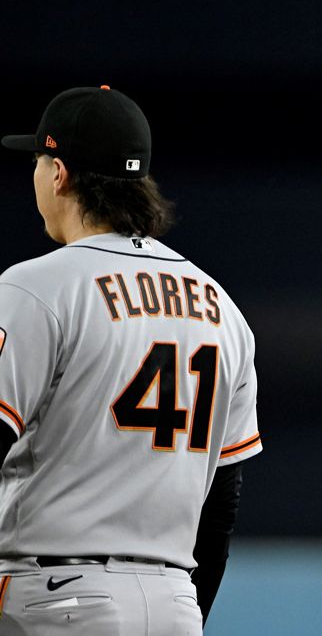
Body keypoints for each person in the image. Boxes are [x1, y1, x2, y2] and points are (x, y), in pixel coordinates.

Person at [0, 86, 262, 635]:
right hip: (174, 602)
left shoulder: (35, 288)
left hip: (52, 598)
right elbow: (221, 507)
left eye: (38, 159)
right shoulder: (222, 308)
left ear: (59, 174)